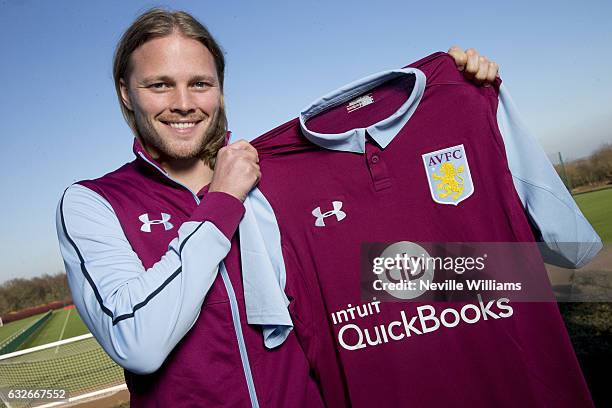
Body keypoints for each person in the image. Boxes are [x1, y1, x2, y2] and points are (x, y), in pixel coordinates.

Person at [56, 8, 502, 407]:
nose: (184, 103)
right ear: (126, 93)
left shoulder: (276, 178)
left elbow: (376, 276)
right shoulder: (93, 203)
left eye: (200, 83)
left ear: (220, 91)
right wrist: (222, 202)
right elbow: (138, 343)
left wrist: (457, 92)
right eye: (159, 85)